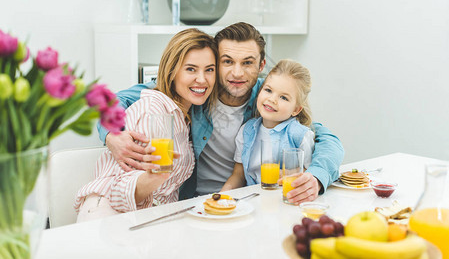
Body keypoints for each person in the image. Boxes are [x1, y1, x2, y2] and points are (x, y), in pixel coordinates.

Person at [98, 22, 344, 205]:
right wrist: (111, 135)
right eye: (227, 62)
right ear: (216, 61)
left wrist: (316, 177)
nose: (237, 73)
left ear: (260, 67)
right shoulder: (197, 90)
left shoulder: (268, 98)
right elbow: (115, 100)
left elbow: (324, 137)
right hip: (191, 200)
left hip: (247, 199)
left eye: (247, 63)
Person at [74, 28, 218, 221]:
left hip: (150, 216)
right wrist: (154, 178)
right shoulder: (154, 110)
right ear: (172, 71)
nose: (202, 79)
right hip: (109, 216)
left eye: (209, 69)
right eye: (190, 69)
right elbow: (118, 190)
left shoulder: (185, 114)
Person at [221, 59, 315, 191]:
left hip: (286, 200)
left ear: (296, 110)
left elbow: (310, 173)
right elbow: (238, 174)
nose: (272, 99)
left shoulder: (300, 135)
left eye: (284, 98)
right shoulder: (247, 131)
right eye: (268, 90)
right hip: (253, 201)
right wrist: (222, 196)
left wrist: (290, 175)